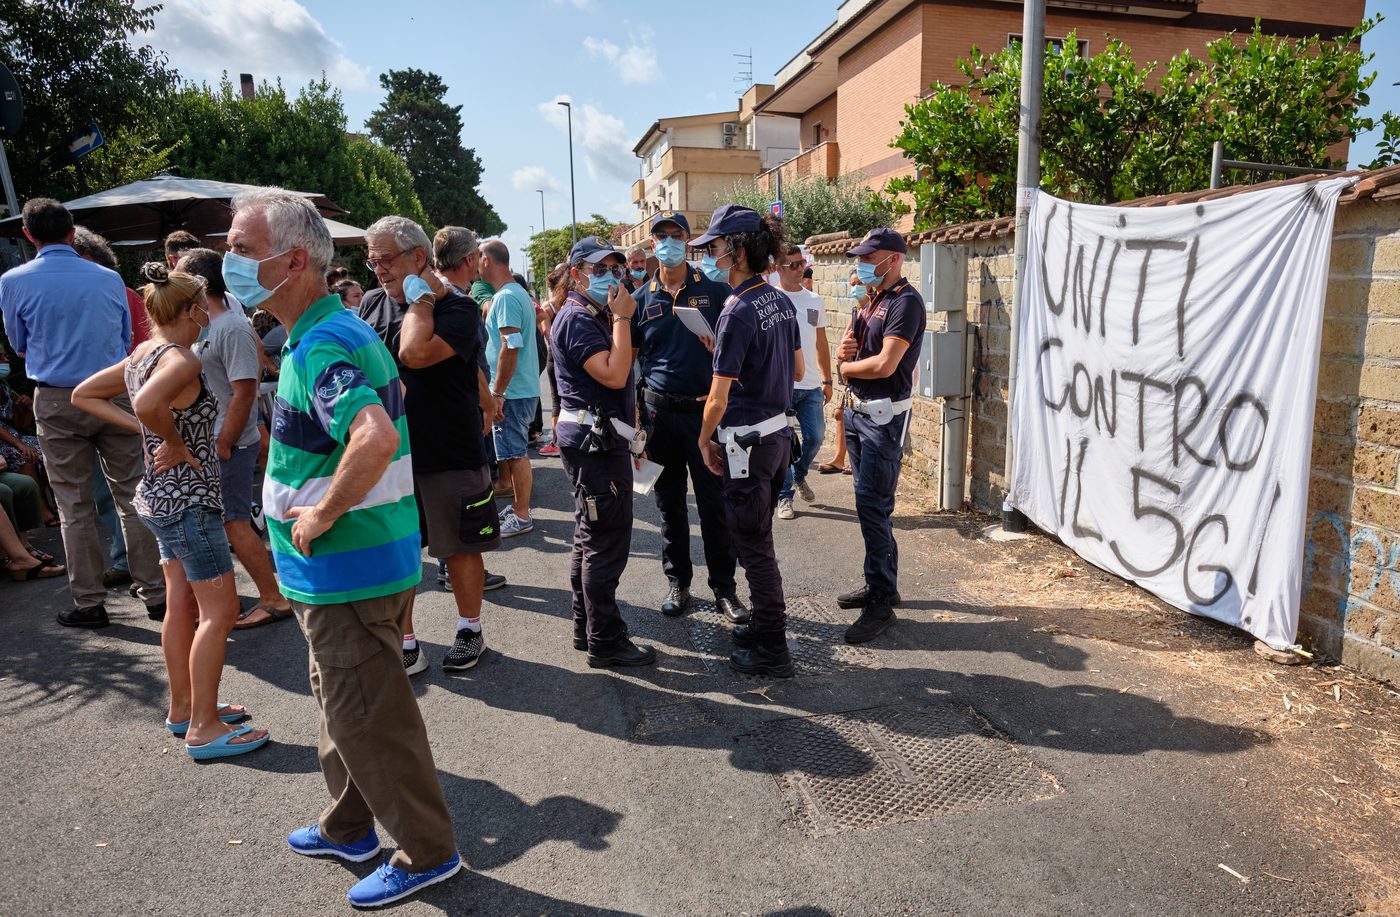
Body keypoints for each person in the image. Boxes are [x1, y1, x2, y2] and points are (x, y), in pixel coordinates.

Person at [225, 187, 461, 906]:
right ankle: (349, 826)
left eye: (241, 249)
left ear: (293, 260)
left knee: (370, 716)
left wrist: (321, 513)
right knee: (344, 704)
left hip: (346, 568)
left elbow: (374, 435)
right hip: (350, 565)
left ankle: (427, 852)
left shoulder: (325, 341)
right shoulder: (333, 331)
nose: (229, 261)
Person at [72, 263, 270, 760]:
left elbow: (85, 395)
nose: (209, 313)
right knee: (220, 611)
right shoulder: (182, 360)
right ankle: (203, 728)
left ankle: (185, 709)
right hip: (189, 503)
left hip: (161, 499)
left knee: (181, 605)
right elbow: (145, 405)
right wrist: (172, 439)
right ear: (190, 310)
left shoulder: (143, 353)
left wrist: (154, 431)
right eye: (203, 305)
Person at [0, 198, 166, 627]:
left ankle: (89, 603)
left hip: (57, 399)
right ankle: (156, 595)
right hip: (113, 392)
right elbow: (126, 337)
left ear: (28, 235)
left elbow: (18, 344)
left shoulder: (13, 280)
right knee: (133, 495)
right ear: (73, 233)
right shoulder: (109, 278)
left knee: (74, 506)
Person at [693, 204, 802, 678]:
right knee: (759, 539)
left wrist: (703, 439)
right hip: (776, 436)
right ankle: (763, 626)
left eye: (715, 247)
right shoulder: (778, 299)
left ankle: (772, 646)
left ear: (737, 252)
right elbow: (795, 369)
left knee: (754, 546)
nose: (710, 256)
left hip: (747, 445)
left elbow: (717, 399)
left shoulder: (736, 310)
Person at [631, 211, 745, 623]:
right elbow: (630, 362)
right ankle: (678, 582)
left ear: (687, 239)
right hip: (659, 415)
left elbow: (738, 351)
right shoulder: (640, 299)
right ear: (652, 244)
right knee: (670, 506)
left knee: (714, 506)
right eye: (661, 236)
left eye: (676, 235)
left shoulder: (715, 291)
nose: (668, 242)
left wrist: (716, 349)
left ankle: (724, 589)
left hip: (704, 416)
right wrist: (636, 424)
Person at [397, 222, 501, 674]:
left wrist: (487, 402)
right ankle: (405, 641)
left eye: (385, 258)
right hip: (395, 453)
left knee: (459, 545)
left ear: (418, 257)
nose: (378, 268)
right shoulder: (377, 304)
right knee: (400, 551)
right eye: (372, 259)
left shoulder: (458, 306)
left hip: (449, 446)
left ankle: (469, 629)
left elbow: (419, 355)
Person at [551, 236, 656, 667]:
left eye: (617, 269)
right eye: (600, 269)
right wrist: (623, 318)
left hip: (600, 439)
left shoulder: (591, 313)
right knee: (604, 543)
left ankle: (586, 626)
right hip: (593, 447)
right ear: (576, 275)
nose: (612, 277)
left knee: (588, 537)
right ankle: (606, 640)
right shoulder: (579, 318)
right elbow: (614, 374)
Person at [179, 248, 294, 629]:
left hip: (228, 444)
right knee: (226, 523)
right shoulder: (209, 325)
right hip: (217, 442)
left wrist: (223, 442)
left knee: (235, 523)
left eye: (179, 275)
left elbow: (245, 392)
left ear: (197, 284)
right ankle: (253, 598)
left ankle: (274, 598)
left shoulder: (231, 326)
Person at [835, 228, 927, 644]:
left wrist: (845, 368)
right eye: (860, 258)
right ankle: (881, 584)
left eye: (869, 258)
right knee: (868, 504)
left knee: (874, 506)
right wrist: (845, 356)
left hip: (882, 417)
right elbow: (852, 349)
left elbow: (886, 365)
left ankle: (881, 601)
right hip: (859, 413)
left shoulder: (905, 302)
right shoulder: (872, 299)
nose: (862, 265)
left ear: (893, 259)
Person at [479, 241, 540, 537]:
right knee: (514, 453)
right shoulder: (515, 293)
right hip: (517, 389)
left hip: (512, 392)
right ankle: (518, 508)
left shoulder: (505, 297)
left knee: (516, 455)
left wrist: (497, 393)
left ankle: (522, 514)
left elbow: (511, 345)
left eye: (477, 257)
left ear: (487, 261)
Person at [774, 245, 833, 520]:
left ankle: (799, 474)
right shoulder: (771, 299)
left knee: (816, 436)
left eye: (803, 263)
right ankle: (784, 497)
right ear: (778, 269)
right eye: (794, 265)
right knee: (783, 444)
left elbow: (821, 342)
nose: (801, 269)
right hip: (781, 385)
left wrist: (828, 379)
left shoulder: (814, 300)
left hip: (810, 385)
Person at [818, 272, 866, 477]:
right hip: (851, 374)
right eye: (852, 284)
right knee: (840, 413)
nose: (855, 288)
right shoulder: (858, 311)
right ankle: (839, 459)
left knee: (848, 416)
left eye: (859, 283)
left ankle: (851, 461)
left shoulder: (874, 310)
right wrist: (840, 357)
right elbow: (844, 343)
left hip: (862, 375)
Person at [536, 263, 567, 457]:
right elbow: (549, 335)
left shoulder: (548, 307)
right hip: (561, 359)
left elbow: (548, 335)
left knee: (558, 401)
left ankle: (557, 443)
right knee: (563, 401)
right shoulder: (567, 302)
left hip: (555, 358)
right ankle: (560, 441)